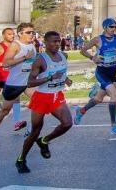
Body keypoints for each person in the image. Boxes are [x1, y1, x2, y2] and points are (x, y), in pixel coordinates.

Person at [15, 31, 73, 173]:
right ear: (45, 43)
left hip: (56, 96)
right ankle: (21, 159)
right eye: (53, 41)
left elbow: (61, 72)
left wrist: (66, 79)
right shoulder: (41, 60)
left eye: (58, 41)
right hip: (42, 97)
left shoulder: (64, 56)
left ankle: (44, 141)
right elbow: (30, 82)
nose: (56, 44)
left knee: (67, 123)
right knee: (35, 130)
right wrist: (49, 78)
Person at [74, 18, 116, 135]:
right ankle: (114, 126)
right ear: (105, 27)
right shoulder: (98, 39)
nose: (114, 29)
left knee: (98, 99)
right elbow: (82, 50)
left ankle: (81, 111)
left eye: (115, 27)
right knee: (115, 95)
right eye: (111, 27)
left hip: (113, 72)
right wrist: (93, 57)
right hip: (102, 72)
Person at [0, 23, 37, 148]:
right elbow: (6, 63)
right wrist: (23, 58)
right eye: (28, 32)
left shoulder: (32, 46)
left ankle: (31, 133)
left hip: (27, 82)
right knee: (5, 110)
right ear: (20, 34)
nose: (31, 34)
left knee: (39, 102)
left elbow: (33, 64)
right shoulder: (15, 45)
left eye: (32, 32)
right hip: (14, 83)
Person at [0, 27, 16, 107]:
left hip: (11, 78)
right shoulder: (0, 47)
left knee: (15, 98)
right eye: (9, 34)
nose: (12, 36)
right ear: (3, 36)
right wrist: (3, 64)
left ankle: (17, 119)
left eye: (13, 34)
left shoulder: (15, 46)